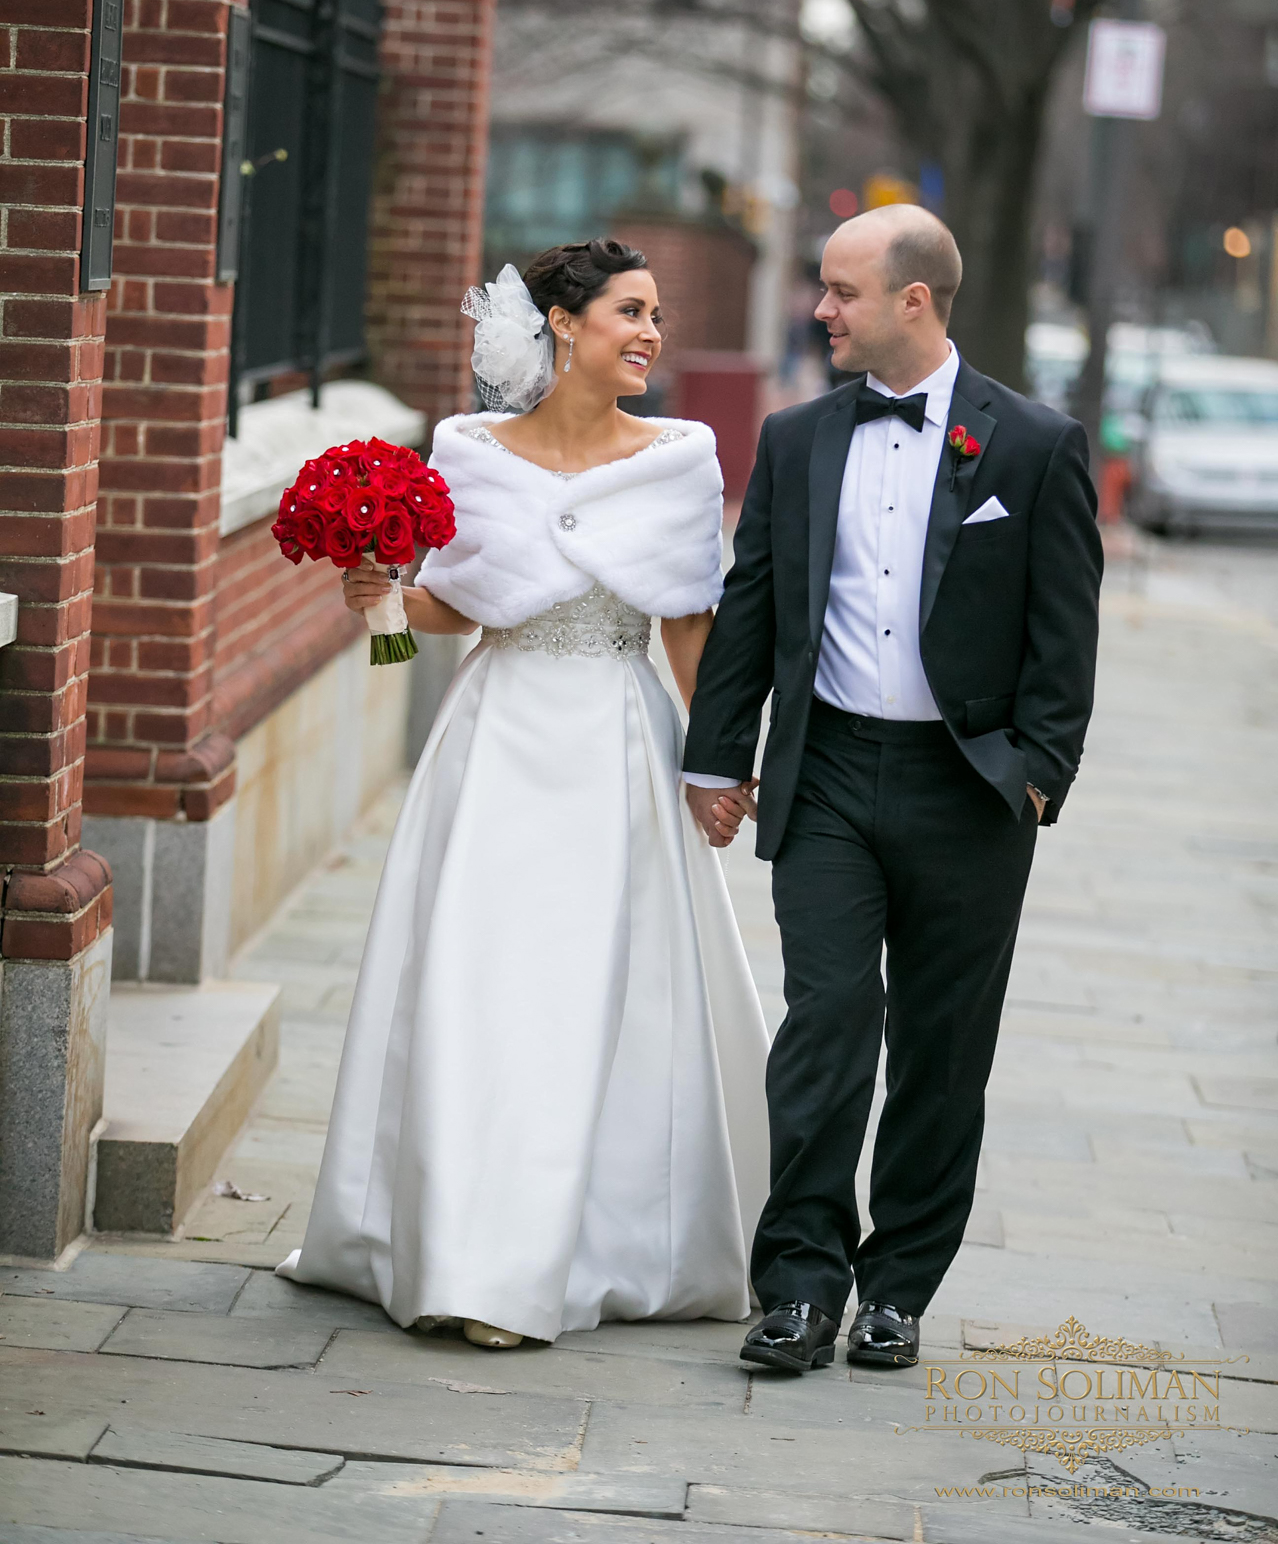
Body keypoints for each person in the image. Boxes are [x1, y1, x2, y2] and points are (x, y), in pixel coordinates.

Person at [277, 238, 769, 1349]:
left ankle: (548, 1261)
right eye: (630, 312)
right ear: (562, 323)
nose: (651, 333)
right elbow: (441, 622)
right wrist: (380, 604)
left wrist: (722, 771)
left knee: (588, 1000)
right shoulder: (471, 452)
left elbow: (690, 626)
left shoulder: (681, 460)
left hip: (616, 749)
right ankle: (455, 1249)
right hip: (493, 744)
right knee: (478, 989)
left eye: (657, 316)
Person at [683, 206, 1103, 1376]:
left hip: (968, 789)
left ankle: (898, 1288)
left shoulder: (1033, 444)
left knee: (942, 1045)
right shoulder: (798, 437)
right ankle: (801, 1285)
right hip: (824, 778)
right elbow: (753, 603)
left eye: (841, 292)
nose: (823, 311)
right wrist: (717, 759)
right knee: (825, 1022)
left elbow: (1065, 637)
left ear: (913, 299)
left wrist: (1037, 778)